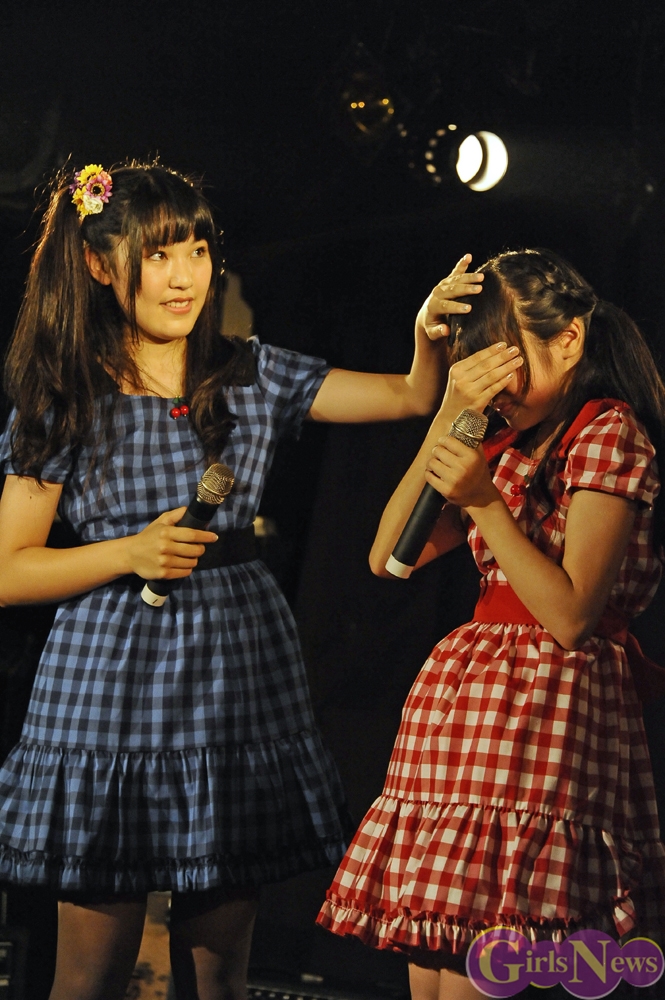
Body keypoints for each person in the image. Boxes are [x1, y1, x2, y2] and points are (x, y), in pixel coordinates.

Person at [0, 161, 492, 1000]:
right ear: (98, 263)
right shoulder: (64, 396)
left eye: (197, 250)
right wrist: (127, 553)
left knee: (220, 973)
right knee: (89, 974)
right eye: (159, 254)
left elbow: (413, 397)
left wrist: (425, 335)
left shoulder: (253, 372)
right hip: (107, 676)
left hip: (235, 669)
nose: (184, 275)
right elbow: (10, 569)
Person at [317, 248, 665, 1000]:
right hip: (466, 719)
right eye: (476, 369)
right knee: (435, 967)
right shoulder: (502, 440)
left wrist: (483, 502)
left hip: (548, 711)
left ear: (566, 341)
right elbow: (389, 557)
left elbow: (573, 615)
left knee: (494, 961)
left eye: (504, 363)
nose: (494, 389)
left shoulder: (606, 432)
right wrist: (450, 414)